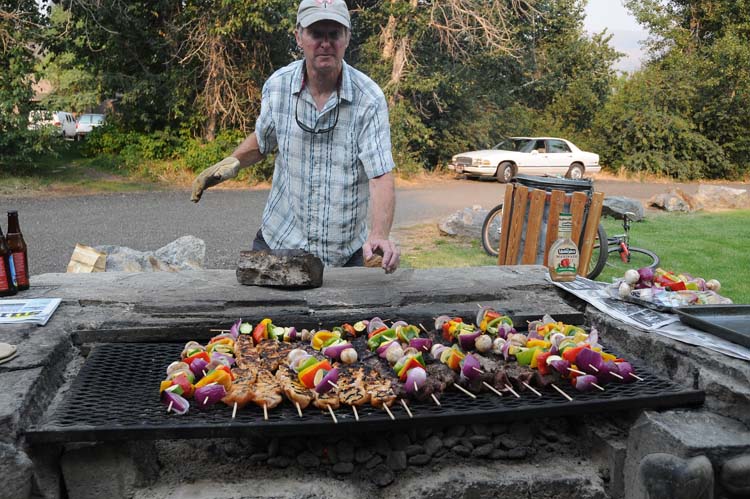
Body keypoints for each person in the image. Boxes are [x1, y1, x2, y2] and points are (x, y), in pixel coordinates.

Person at [191, 0, 400, 273]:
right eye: (316, 33)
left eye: (334, 34)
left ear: (347, 38)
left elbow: (380, 175)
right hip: (280, 240)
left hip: (343, 254)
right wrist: (231, 163)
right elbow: (264, 140)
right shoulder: (278, 86)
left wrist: (379, 235)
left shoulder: (368, 99)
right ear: (299, 36)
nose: (325, 43)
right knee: (257, 316)